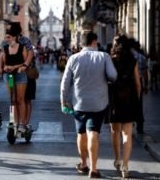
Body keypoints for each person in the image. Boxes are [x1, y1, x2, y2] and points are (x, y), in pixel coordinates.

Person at [60, 31, 117, 178]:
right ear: (95, 42)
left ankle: (83, 164)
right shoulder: (104, 57)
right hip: (99, 102)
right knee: (94, 132)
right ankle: (94, 168)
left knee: (81, 133)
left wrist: (63, 99)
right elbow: (113, 75)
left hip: (79, 102)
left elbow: (65, 82)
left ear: (82, 43)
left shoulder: (73, 58)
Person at [109, 35, 141, 178]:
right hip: (129, 99)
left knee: (115, 131)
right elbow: (138, 83)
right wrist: (137, 98)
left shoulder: (111, 60)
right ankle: (125, 166)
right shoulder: (133, 60)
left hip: (114, 100)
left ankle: (117, 159)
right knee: (127, 134)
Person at [0, 28, 28, 132]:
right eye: (6, 37)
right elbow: (4, 62)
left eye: (9, 37)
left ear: (15, 37)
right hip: (10, 76)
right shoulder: (5, 48)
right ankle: (13, 121)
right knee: (12, 99)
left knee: (20, 99)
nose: (7, 39)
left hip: (20, 75)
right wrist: (5, 67)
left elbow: (25, 62)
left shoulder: (22, 47)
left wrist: (15, 67)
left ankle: (22, 124)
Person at [130, 39, 148, 134]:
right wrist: (146, 84)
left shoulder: (127, 56)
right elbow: (145, 73)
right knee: (139, 105)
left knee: (129, 104)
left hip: (129, 82)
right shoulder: (141, 57)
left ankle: (129, 123)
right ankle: (140, 126)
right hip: (139, 81)